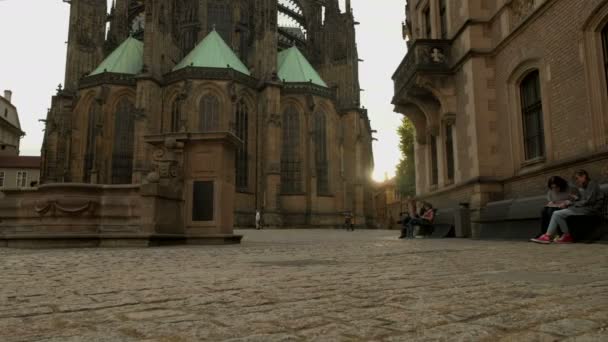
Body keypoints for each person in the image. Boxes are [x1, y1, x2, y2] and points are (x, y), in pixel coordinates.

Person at [532, 170, 603, 244]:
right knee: (555, 212)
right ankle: (562, 236)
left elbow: (589, 201)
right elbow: (583, 200)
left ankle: (549, 236)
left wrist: (572, 202)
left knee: (557, 213)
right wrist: (575, 199)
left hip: (589, 209)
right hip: (582, 208)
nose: (577, 181)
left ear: (584, 176)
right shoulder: (584, 186)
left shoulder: (592, 184)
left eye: (577, 178)